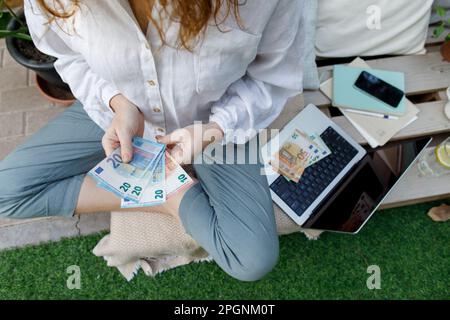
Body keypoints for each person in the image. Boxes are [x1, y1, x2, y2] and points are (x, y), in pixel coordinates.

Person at [0, 0, 305, 281]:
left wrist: (215, 128)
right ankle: (165, 195)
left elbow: (271, 77)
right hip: (122, 114)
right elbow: (67, 56)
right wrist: (118, 103)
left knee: (251, 259)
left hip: (217, 123)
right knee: (6, 192)